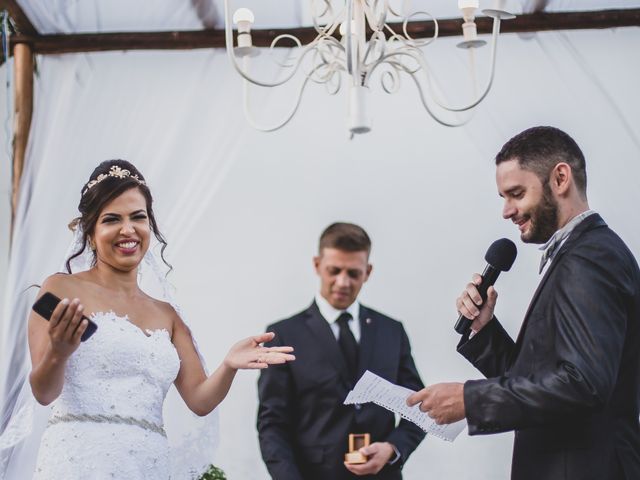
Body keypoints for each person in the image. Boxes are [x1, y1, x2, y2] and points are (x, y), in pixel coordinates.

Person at [6, 159, 295, 479]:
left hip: (148, 464)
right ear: (90, 231)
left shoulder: (166, 314)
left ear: (150, 225)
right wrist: (59, 352)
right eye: (111, 219)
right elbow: (43, 392)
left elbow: (199, 400)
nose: (128, 230)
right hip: (78, 461)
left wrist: (228, 365)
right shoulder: (62, 288)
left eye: (138, 217)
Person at [407, 126, 640, 479]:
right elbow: (547, 379)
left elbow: (583, 386)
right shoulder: (581, 253)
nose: (506, 211)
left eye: (516, 193)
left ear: (560, 178)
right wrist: (485, 331)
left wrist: (469, 400)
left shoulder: (588, 258)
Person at [257, 222, 426, 480]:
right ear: (317, 265)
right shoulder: (283, 334)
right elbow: (272, 424)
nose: (343, 282)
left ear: (367, 272)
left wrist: (393, 448)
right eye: (334, 271)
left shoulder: (392, 331)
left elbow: (418, 406)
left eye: (353, 273)